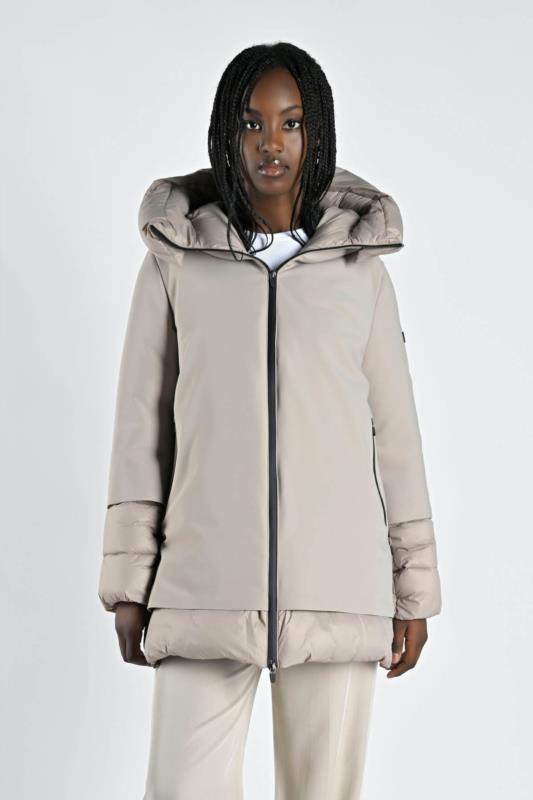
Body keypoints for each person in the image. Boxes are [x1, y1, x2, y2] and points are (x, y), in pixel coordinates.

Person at [97, 42, 442, 799]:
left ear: (316, 133)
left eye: (290, 122)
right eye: (251, 124)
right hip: (202, 583)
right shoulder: (176, 261)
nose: (271, 142)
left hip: (338, 587)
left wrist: (414, 589)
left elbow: (395, 437)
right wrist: (128, 581)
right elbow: (142, 429)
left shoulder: (360, 273)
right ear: (227, 133)